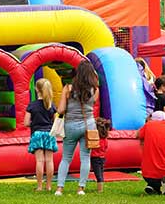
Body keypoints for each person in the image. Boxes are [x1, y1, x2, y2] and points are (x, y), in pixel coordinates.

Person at [55, 60, 100, 196]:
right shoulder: (95, 89)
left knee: (66, 158)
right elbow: (92, 105)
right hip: (88, 125)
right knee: (85, 157)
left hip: (71, 125)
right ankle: (81, 188)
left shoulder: (68, 88)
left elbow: (61, 110)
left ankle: (59, 188)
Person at [25, 78, 58, 191]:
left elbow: (26, 122)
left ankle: (39, 186)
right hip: (49, 133)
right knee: (49, 160)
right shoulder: (51, 105)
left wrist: (35, 123)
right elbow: (55, 121)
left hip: (37, 133)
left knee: (40, 161)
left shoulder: (32, 105)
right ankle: (48, 186)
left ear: (36, 89)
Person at [90, 118, 110, 193]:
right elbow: (105, 148)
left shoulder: (96, 139)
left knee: (98, 175)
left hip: (95, 159)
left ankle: (100, 190)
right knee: (101, 173)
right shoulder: (105, 139)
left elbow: (92, 148)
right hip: (102, 158)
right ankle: (100, 188)